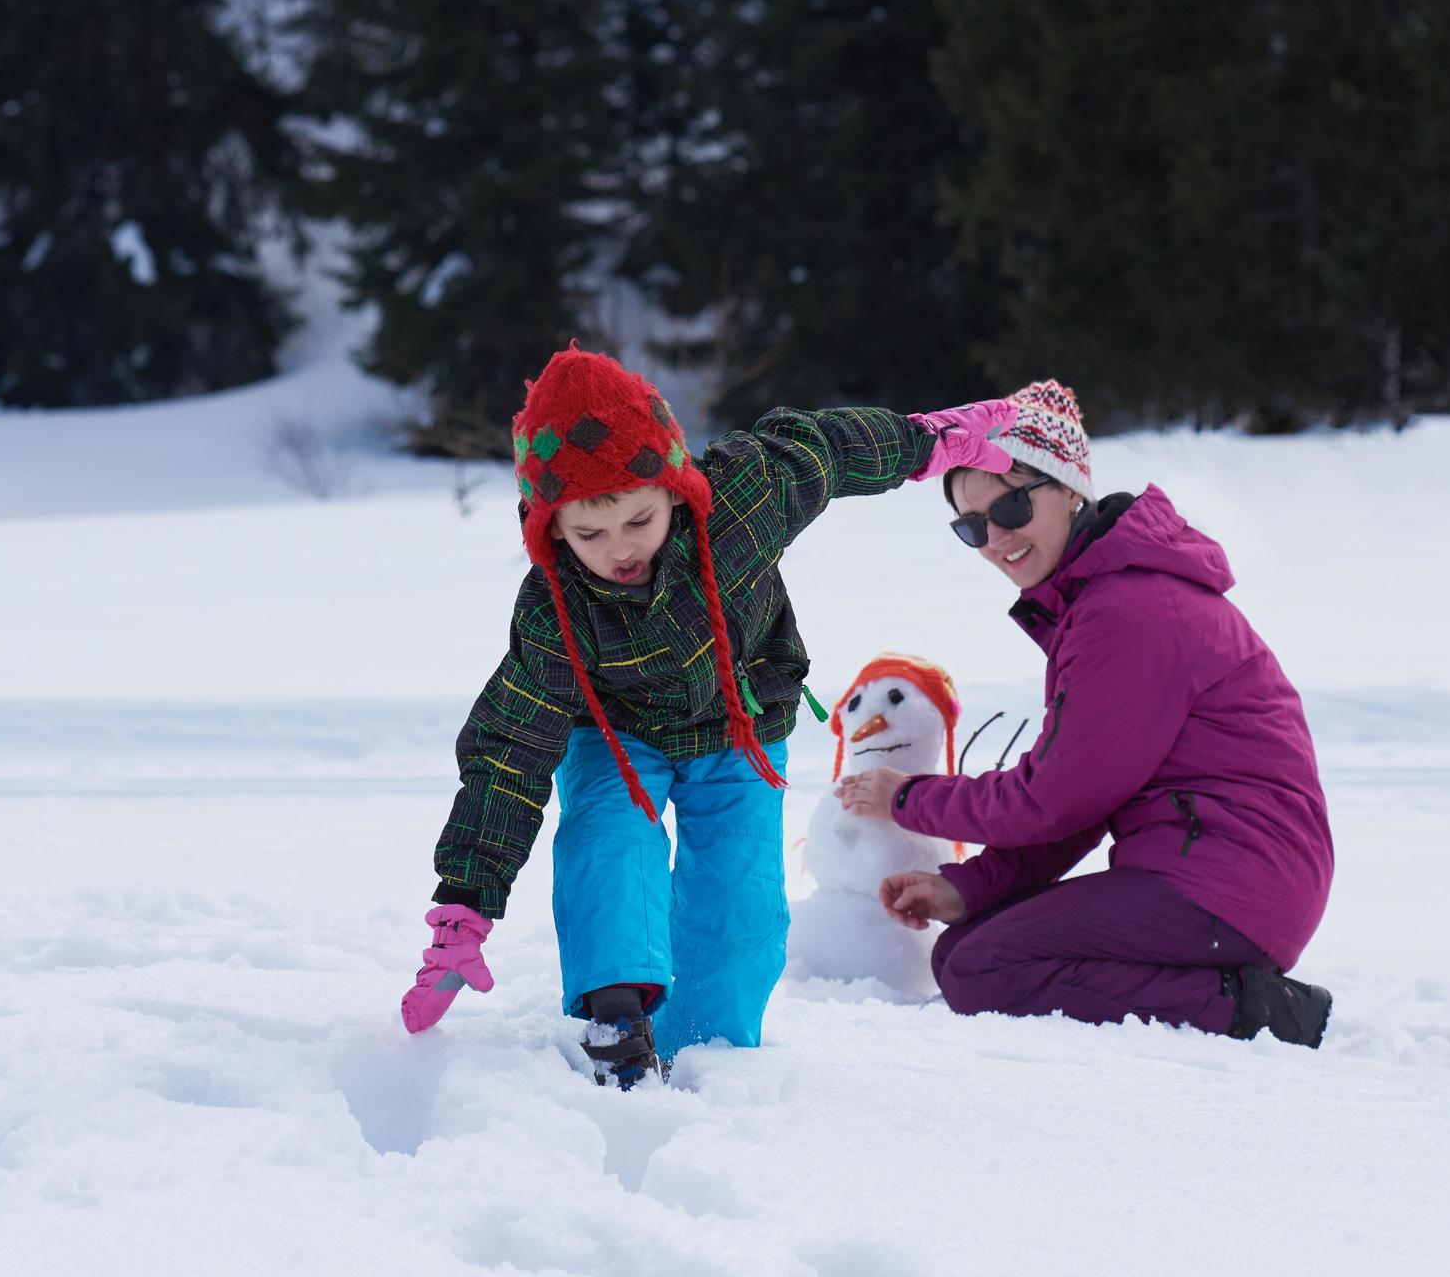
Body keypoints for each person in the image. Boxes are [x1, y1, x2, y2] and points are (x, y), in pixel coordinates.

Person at [396, 343, 1009, 1086]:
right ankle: (614, 1012)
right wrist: (464, 904)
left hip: (739, 724)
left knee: (741, 897)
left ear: (673, 486)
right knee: (608, 839)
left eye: (638, 520)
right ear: (550, 529)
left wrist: (926, 442)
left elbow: (824, 449)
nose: (619, 549)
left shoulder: (741, 502)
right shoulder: (553, 607)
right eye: (589, 534)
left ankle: (706, 1051)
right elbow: (508, 750)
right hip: (615, 731)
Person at [834, 380, 1336, 1045]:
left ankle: (1255, 1010)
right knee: (965, 950)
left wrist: (909, 799)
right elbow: (1085, 797)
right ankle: (1231, 993)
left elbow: (1054, 798)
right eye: (971, 525)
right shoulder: (1100, 600)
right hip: (1218, 880)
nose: (994, 538)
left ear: (1069, 488)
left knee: (983, 967)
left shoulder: (1126, 611)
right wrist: (972, 889)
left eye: (1010, 505)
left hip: (1228, 884)